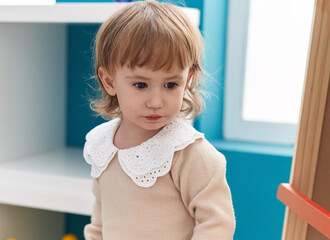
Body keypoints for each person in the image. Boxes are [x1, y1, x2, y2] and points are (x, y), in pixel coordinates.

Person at [83, 1, 235, 239]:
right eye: (141, 84)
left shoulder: (190, 153)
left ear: (188, 80)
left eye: (171, 84)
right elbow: (101, 220)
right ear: (109, 81)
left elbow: (216, 224)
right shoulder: (102, 145)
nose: (156, 101)